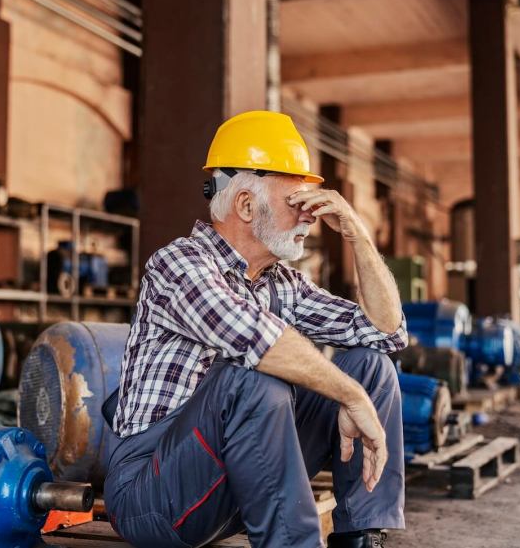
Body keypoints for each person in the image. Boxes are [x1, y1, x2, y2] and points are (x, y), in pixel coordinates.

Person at [104, 110, 408, 548]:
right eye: (297, 203)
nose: (310, 218)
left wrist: (359, 236)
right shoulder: (179, 264)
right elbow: (256, 342)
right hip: (152, 495)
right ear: (246, 204)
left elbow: (386, 333)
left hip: (230, 489)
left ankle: (361, 538)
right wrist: (350, 396)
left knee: (370, 365)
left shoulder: (282, 283)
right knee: (252, 379)